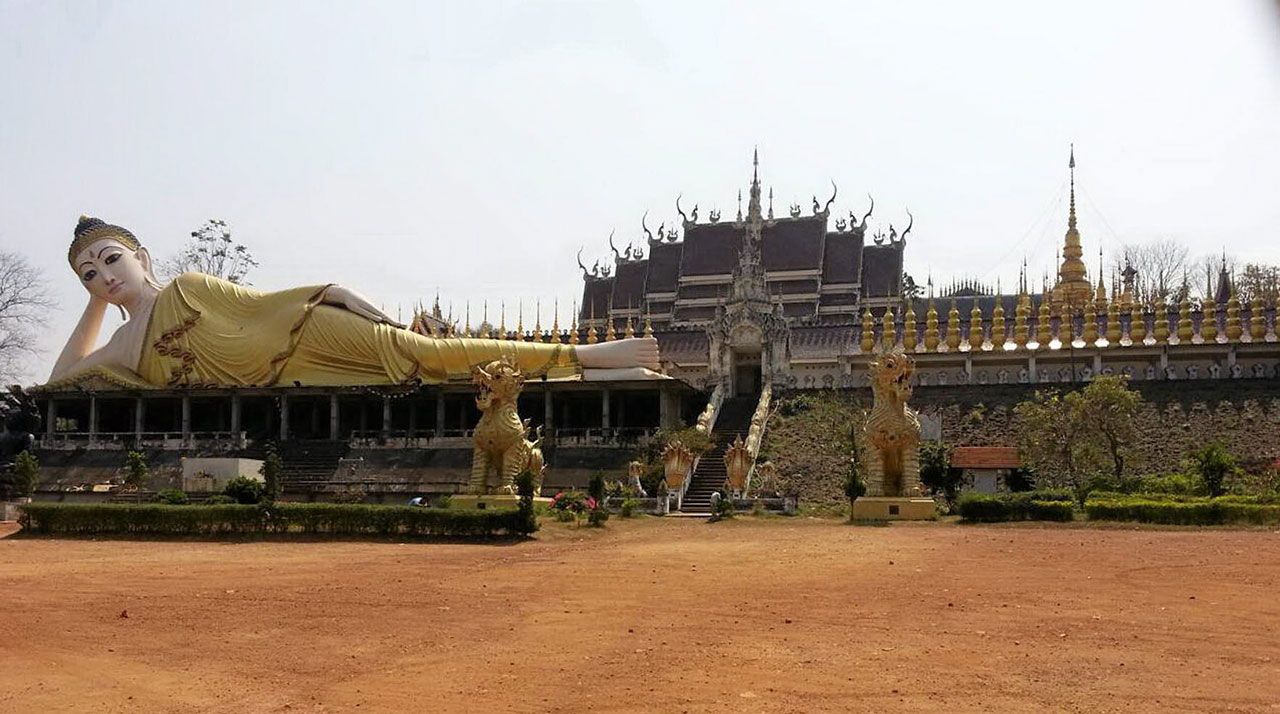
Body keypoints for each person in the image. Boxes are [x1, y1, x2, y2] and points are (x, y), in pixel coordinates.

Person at [49, 216, 661, 388]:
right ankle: (580, 365)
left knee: (428, 352)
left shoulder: (187, 286)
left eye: (110, 259)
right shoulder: (125, 349)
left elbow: (266, 304)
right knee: (435, 373)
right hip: (292, 380)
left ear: (143, 259)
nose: (103, 276)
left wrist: (347, 299)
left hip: (307, 333)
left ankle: (585, 355)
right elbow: (61, 381)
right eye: (88, 275)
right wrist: (97, 307)